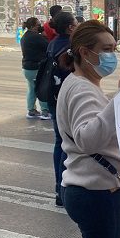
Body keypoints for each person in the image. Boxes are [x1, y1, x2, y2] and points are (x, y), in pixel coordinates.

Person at [57, 19, 120, 238]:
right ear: (84, 52)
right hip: (96, 193)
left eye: (114, 48)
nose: (112, 55)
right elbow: (87, 138)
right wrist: (118, 102)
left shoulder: (80, 83)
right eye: (106, 49)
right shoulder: (81, 89)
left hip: (88, 189)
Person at [47, 12, 78, 206]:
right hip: (66, 99)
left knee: (59, 142)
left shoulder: (52, 43)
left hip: (53, 97)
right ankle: (62, 189)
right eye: (75, 23)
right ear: (69, 27)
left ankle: (59, 188)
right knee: (67, 144)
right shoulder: (71, 47)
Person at [20, 17, 50, 120]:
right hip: (36, 67)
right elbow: (48, 47)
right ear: (33, 26)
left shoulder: (25, 36)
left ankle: (31, 110)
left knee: (32, 89)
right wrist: (45, 36)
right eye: (38, 25)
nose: (40, 27)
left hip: (27, 68)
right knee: (41, 88)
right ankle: (45, 111)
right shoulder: (36, 37)